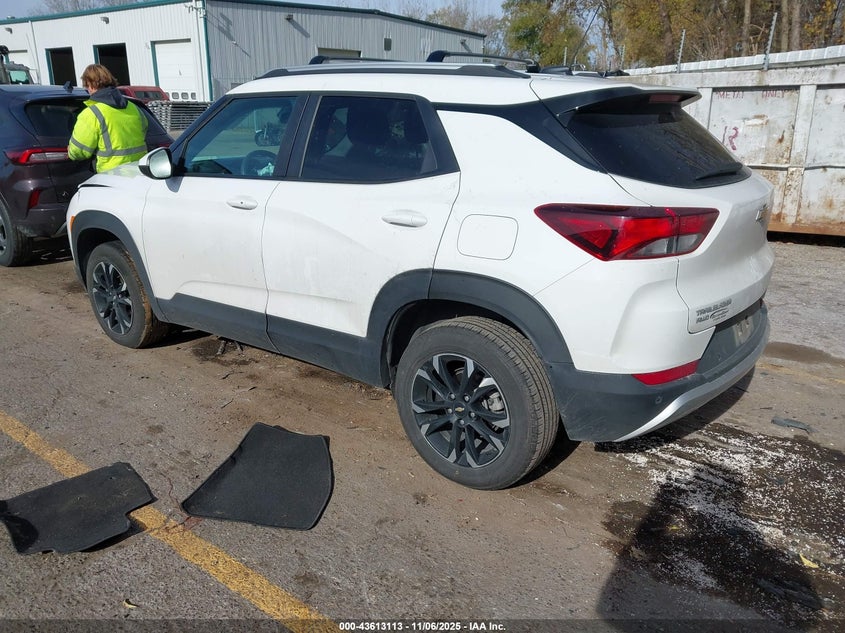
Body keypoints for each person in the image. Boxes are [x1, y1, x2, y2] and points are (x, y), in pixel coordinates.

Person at [68, 64, 148, 172]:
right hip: (139, 172)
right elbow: (143, 132)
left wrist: (70, 151)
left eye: (86, 86)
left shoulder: (91, 114)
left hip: (111, 174)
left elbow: (79, 151)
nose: (87, 90)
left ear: (90, 84)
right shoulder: (134, 108)